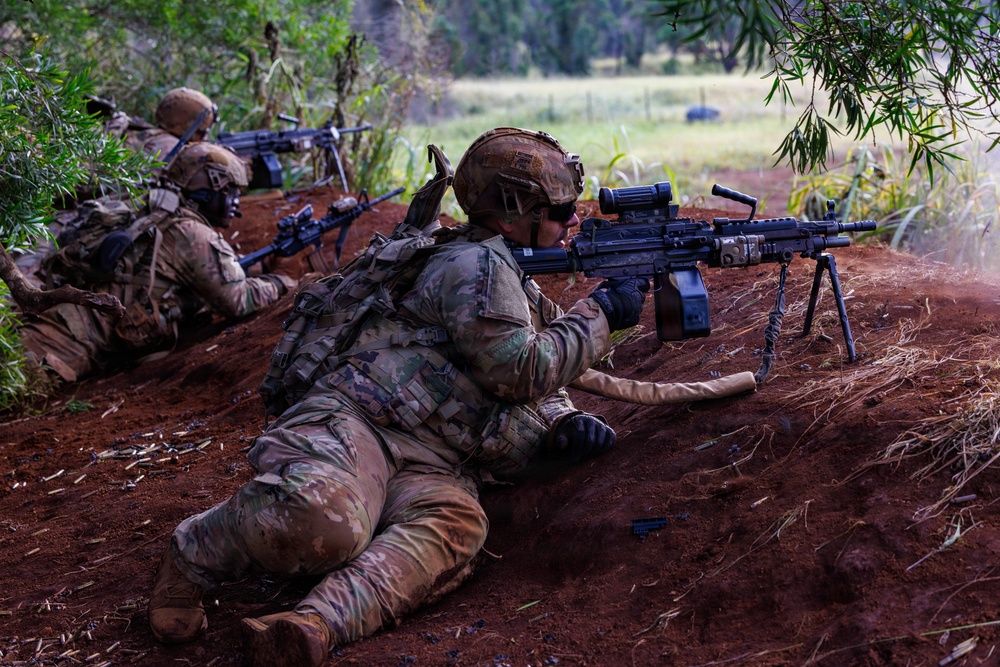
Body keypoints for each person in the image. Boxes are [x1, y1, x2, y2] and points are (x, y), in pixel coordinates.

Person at [147, 127, 650, 666]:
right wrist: (602, 315)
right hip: (359, 425)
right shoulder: (475, 266)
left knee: (456, 526)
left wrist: (562, 421)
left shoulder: (508, 270)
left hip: (433, 456)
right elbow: (516, 371)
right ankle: (194, 552)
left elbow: (515, 359)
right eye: (560, 209)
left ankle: (312, 625)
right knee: (326, 522)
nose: (572, 219)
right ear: (512, 213)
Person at [19, 142, 295, 383]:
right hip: (68, 342)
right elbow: (237, 300)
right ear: (208, 189)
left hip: (60, 317)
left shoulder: (151, 203)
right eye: (231, 191)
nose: (237, 202)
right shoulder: (189, 232)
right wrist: (283, 279)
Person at [105, 87, 218, 165]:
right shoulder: (169, 146)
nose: (204, 138)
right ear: (186, 127)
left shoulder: (141, 130)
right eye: (202, 132)